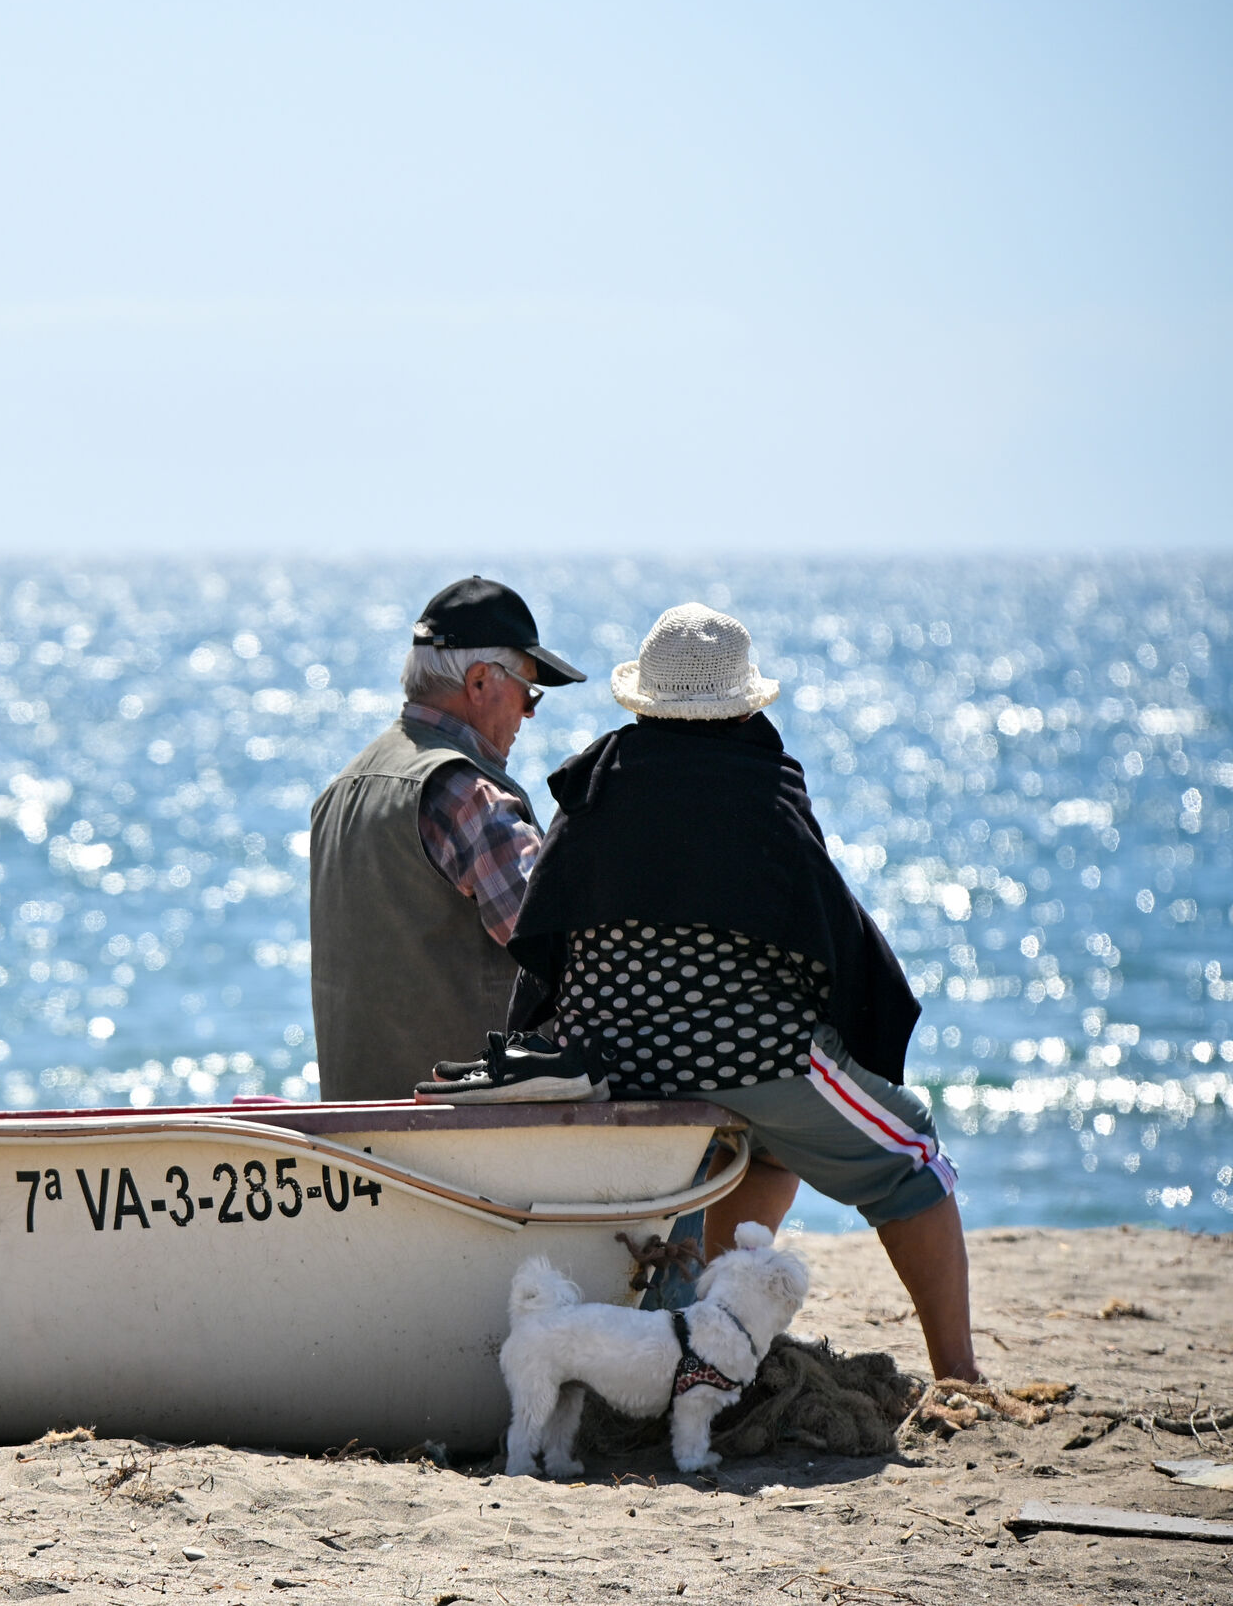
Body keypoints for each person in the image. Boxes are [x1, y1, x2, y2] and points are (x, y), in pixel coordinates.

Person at [503, 603, 979, 1382]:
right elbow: (826, 933)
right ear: (745, 703)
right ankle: (960, 1373)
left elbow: (545, 929)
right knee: (912, 1153)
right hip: (748, 1054)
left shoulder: (593, 784)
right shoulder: (760, 786)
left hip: (610, 1059)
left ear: (644, 701)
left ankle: (700, 1332)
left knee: (767, 1155)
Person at [309, 576, 585, 1101]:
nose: (528, 713)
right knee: (735, 1144)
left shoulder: (339, 791)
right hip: (465, 1131)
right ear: (480, 682)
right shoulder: (469, 796)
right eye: (528, 693)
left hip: (355, 1126)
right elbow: (567, 954)